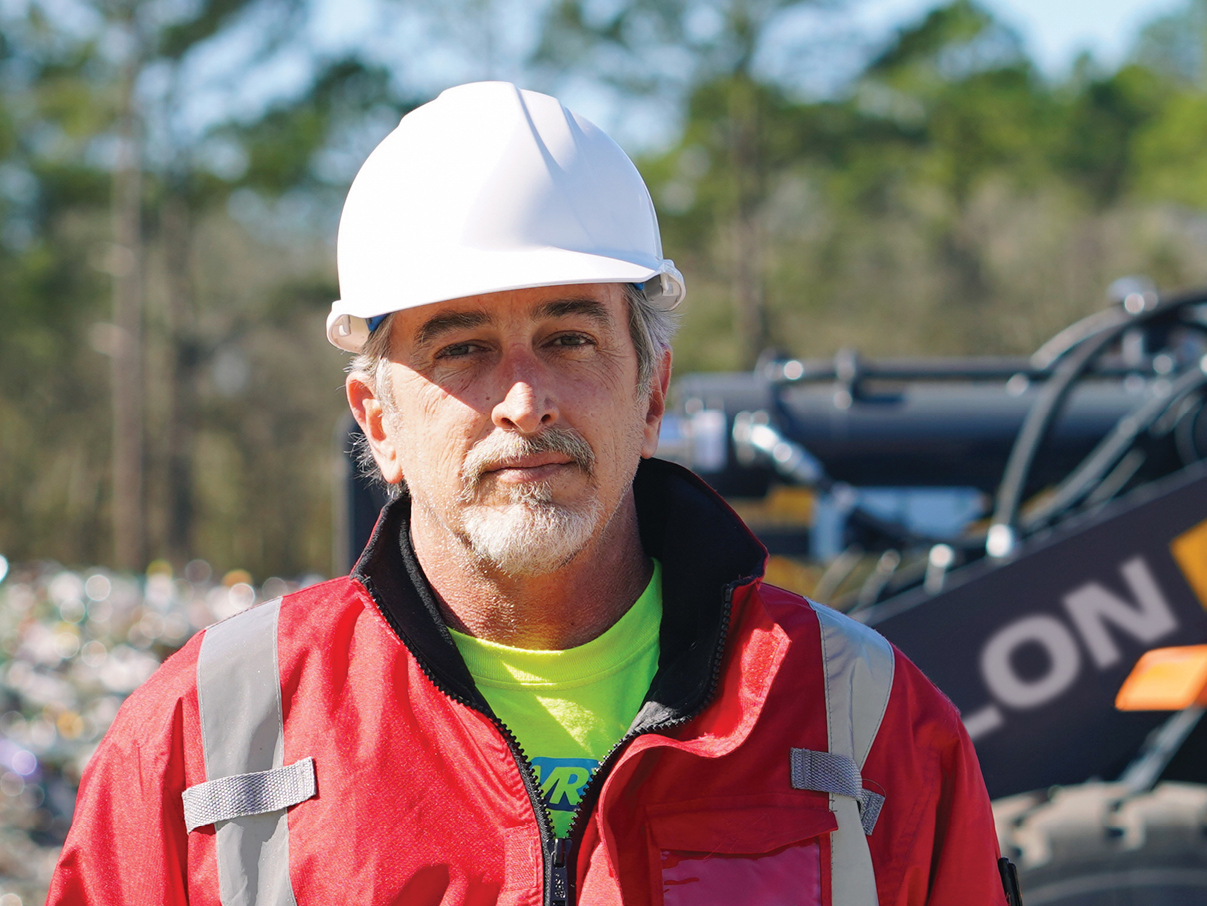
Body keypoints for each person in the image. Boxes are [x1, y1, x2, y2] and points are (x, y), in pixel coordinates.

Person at [49, 81, 1011, 905]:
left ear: (652, 397)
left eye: (570, 338)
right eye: (461, 348)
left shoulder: (868, 724)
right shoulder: (203, 739)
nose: (523, 400)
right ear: (378, 421)